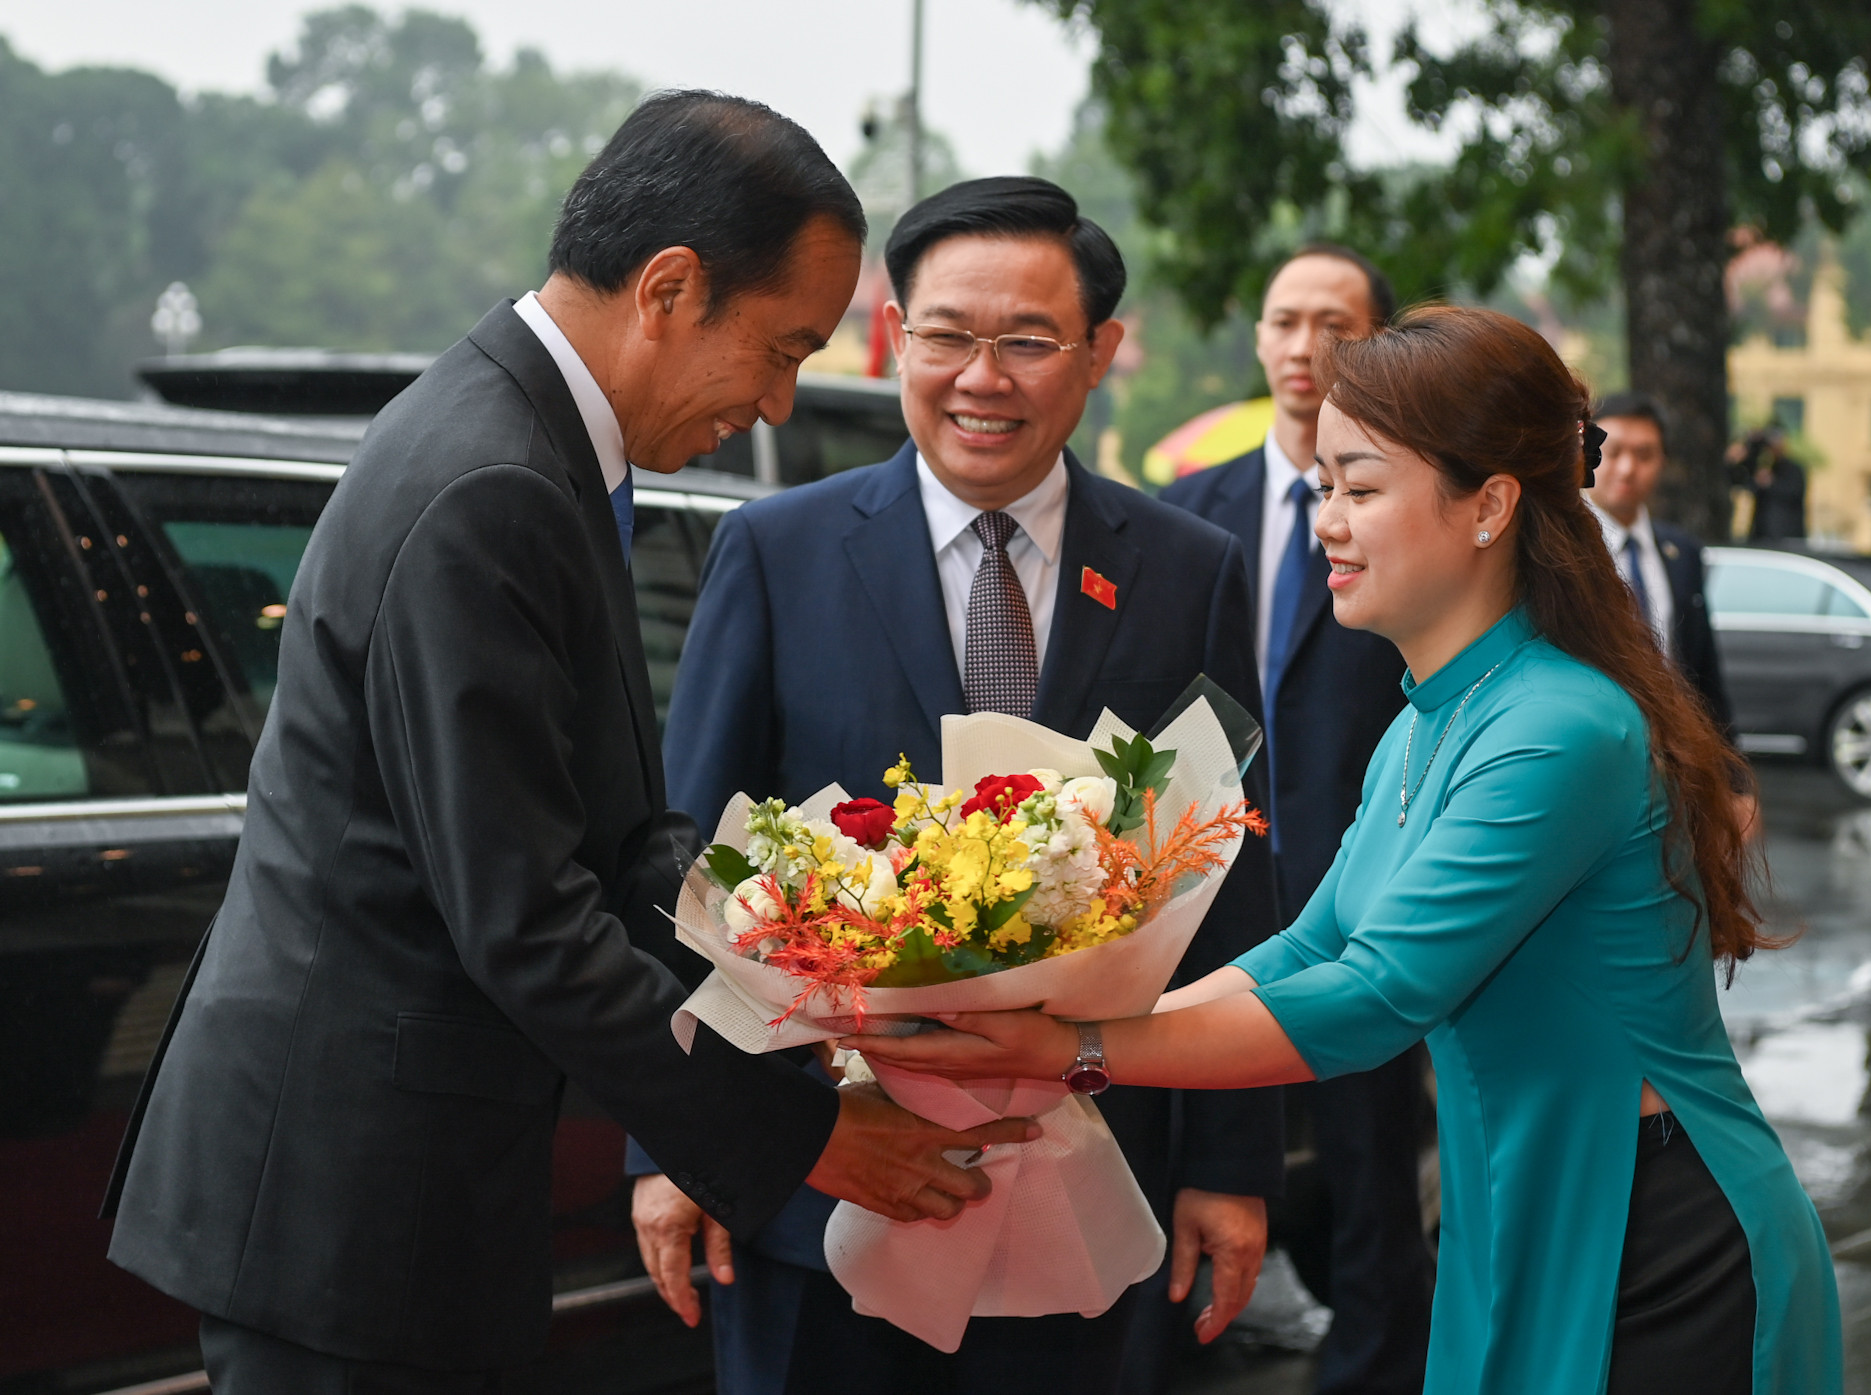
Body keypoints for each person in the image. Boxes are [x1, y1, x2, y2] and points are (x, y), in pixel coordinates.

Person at [102, 92, 1032, 1394]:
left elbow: (604, 834)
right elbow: (525, 913)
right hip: (350, 1200)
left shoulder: (535, 446)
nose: (772, 405)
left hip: (397, 1188)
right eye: (778, 349)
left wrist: (817, 948)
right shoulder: (494, 481)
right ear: (668, 287)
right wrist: (808, 1129)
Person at [851, 306, 1844, 1394]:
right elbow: (1310, 946)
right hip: (1521, 1203)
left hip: (1651, 1236)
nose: (1328, 520)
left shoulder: (1561, 728)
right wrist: (1032, 1027)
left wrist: (1071, 1051)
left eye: (1361, 488)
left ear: (1489, 507)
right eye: (1325, 486)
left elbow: (1375, 997)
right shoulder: (1424, 721)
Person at [633, 175, 1284, 1395]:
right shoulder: (775, 552)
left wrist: (1232, 1165)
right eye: (946, 336)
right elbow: (690, 871)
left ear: (1100, 354)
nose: (983, 377)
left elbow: (1227, 873)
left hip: (1092, 1186)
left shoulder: (1189, 572)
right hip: (815, 1177)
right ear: (895, 340)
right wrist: (675, 1148)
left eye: (1030, 341)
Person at [1161, 244, 1432, 1395]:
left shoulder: (1411, 514)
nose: (1302, 347)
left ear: (1369, 347)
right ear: (1260, 341)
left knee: (1369, 1158)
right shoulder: (1186, 512)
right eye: (1283, 320)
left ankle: (1373, 1366)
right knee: (1189, 1140)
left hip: (1356, 892)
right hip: (1194, 888)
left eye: (1334, 324)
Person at [1587, 390, 1733, 731]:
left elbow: (1704, 678)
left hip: (1671, 749)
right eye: (1613, 451)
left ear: (1663, 462)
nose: (1627, 469)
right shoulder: (1555, 550)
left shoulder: (1683, 553)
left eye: (1644, 455)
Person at [1727, 424, 1807, 541]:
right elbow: (1740, 483)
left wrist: (1770, 484)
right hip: (1761, 534)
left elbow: (1794, 492)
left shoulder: (1793, 470)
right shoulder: (1760, 466)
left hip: (1787, 535)